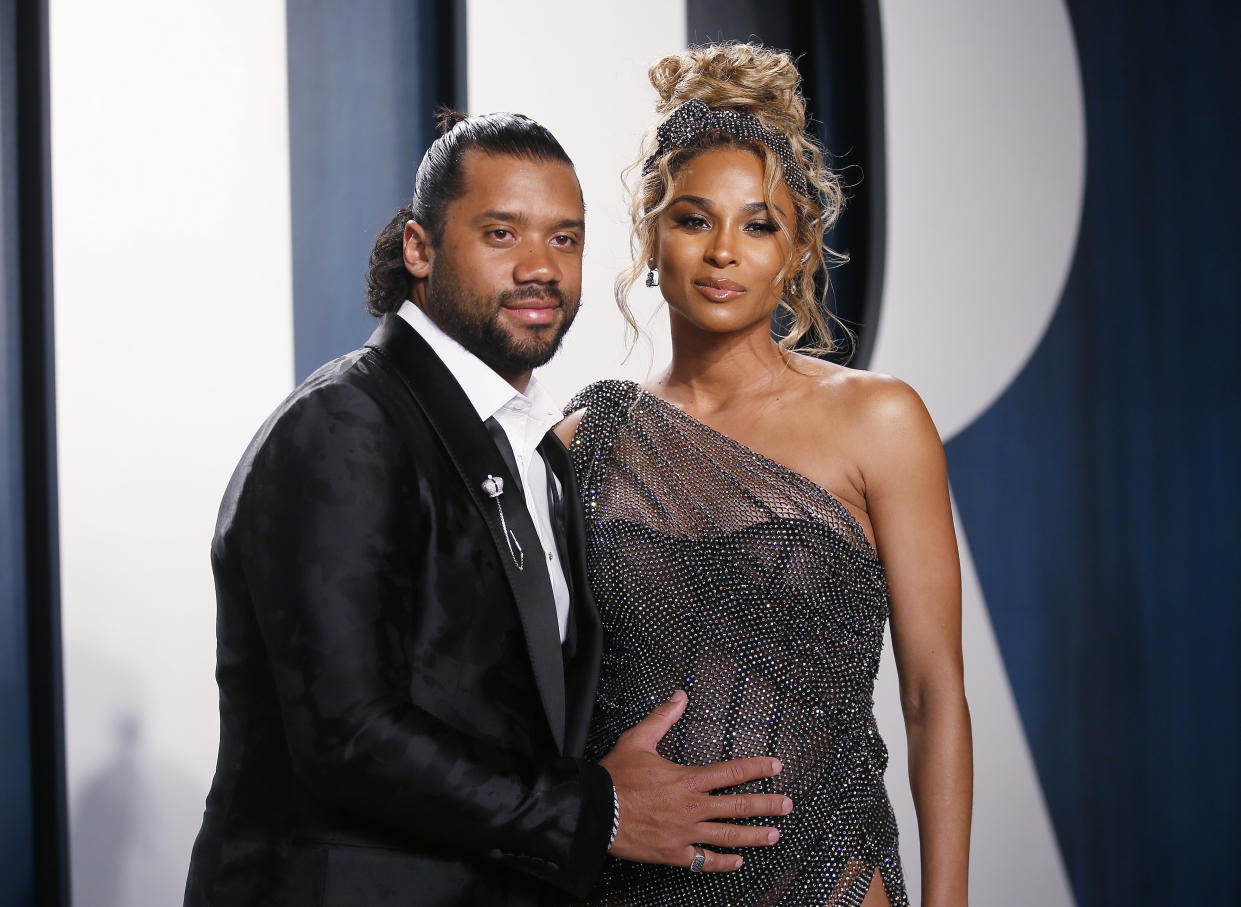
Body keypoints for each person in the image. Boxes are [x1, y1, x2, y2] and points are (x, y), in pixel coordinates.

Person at [183, 110, 793, 907]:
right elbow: (349, 734)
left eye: (564, 239)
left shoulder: (538, 447)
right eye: (502, 234)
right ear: (419, 247)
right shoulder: (344, 425)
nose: (540, 268)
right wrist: (599, 810)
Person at [558, 44, 973, 906]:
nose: (722, 253)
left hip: (825, 874)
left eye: (757, 224)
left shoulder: (879, 421)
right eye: (691, 218)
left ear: (797, 251)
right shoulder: (584, 441)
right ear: (649, 237)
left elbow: (934, 695)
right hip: (632, 880)